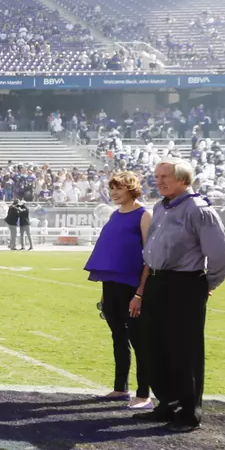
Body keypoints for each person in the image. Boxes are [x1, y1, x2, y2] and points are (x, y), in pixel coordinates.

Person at [130, 160, 225, 432]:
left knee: (183, 350)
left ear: (184, 179)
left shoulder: (199, 209)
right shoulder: (160, 207)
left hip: (184, 283)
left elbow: (221, 256)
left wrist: (204, 285)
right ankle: (167, 404)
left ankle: (188, 412)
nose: (159, 181)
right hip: (157, 282)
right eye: (156, 176)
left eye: (165, 176)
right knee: (155, 347)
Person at [84, 170, 151, 411]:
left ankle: (144, 394)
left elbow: (150, 258)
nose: (114, 192)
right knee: (118, 337)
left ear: (131, 189)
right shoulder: (115, 215)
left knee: (139, 340)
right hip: (111, 285)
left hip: (132, 286)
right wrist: (104, 293)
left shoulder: (144, 215)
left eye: (119, 188)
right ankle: (121, 388)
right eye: (112, 188)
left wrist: (140, 293)